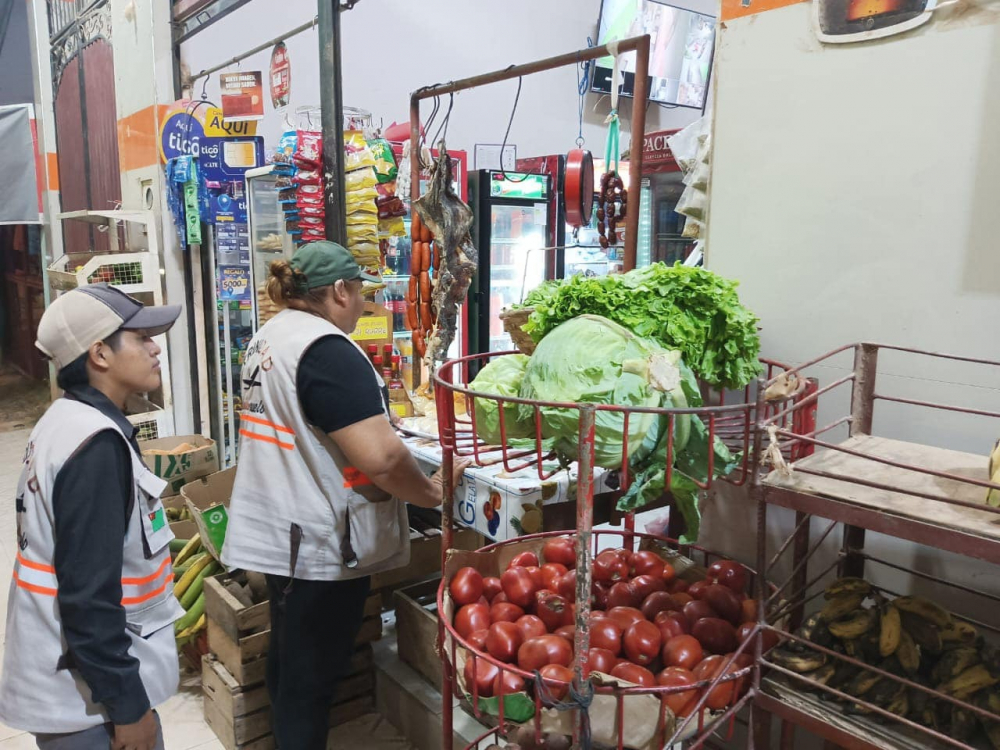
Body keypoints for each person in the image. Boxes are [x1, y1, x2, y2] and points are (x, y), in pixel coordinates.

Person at [222, 241, 469, 749]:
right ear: (338, 290)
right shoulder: (328, 349)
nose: (364, 304)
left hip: (282, 531)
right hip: (316, 542)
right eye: (360, 292)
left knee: (290, 664)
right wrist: (433, 492)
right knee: (309, 680)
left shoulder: (270, 336)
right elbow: (382, 459)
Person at [0, 283, 184, 750]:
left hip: (76, 690)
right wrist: (129, 708)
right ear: (100, 353)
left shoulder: (66, 418)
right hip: (89, 708)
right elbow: (88, 596)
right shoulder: (95, 446)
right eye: (140, 337)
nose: (154, 346)